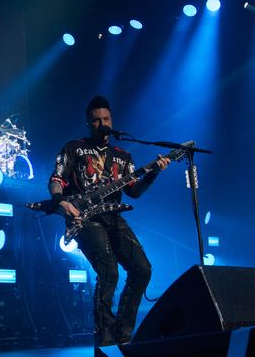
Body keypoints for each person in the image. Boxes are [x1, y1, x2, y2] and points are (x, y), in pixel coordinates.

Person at [48, 95, 171, 347]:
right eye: (96, 120)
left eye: (106, 119)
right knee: (109, 272)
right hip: (85, 219)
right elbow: (56, 179)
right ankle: (104, 337)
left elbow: (134, 192)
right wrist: (61, 202)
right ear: (87, 123)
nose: (102, 124)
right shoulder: (73, 147)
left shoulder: (123, 155)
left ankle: (123, 334)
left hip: (113, 217)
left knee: (142, 269)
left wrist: (153, 174)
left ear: (111, 121)